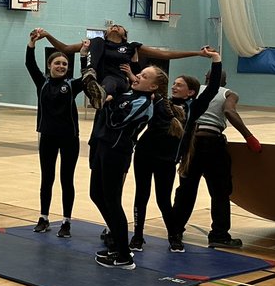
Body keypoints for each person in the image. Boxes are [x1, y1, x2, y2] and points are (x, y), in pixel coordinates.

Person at [83, 58, 184, 269]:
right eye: (140, 73)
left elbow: (116, 121)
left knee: (111, 201)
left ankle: (123, 255)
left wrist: (106, 103)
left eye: (144, 76)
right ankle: (117, 245)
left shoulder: (144, 103)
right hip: (103, 147)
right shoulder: (129, 93)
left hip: (116, 152)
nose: (137, 76)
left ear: (154, 86)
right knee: (96, 194)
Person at [170, 59, 262, 249]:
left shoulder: (195, 90)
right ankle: (219, 235)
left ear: (206, 78)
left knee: (186, 190)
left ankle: (175, 230)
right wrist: (249, 137)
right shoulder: (229, 93)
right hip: (212, 142)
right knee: (220, 191)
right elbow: (229, 111)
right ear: (225, 82)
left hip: (190, 143)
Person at [138, 52, 223, 252]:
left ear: (191, 92)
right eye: (174, 83)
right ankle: (138, 236)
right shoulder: (159, 101)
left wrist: (216, 59)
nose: (175, 86)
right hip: (144, 154)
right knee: (141, 196)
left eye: (180, 84)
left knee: (163, 200)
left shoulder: (194, 108)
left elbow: (212, 88)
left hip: (167, 160)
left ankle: (173, 236)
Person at [39, 23, 212, 108]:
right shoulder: (98, 42)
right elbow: (65, 48)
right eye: (112, 26)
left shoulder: (131, 47)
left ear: (125, 35)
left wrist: (197, 53)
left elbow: (165, 54)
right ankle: (92, 81)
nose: (115, 27)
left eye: (119, 26)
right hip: (97, 79)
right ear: (107, 32)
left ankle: (101, 97)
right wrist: (47, 35)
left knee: (110, 82)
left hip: (119, 80)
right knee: (95, 43)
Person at [25, 30, 88, 238]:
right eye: (57, 63)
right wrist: (31, 43)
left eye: (64, 64)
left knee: (66, 179)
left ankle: (66, 222)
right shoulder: (41, 82)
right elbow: (29, 64)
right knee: (47, 178)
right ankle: (44, 218)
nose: (61, 66)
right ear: (49, 66)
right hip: (48, 137)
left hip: (69, 138)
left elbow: (88, 77)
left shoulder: (72, 85)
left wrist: (84, 56)